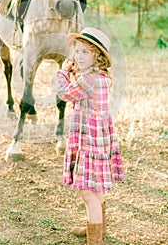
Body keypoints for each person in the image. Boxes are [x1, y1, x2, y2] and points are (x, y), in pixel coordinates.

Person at [53, 27, 124, 245]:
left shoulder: (89, 80)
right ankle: (97, 226)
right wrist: (74, 72)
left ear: (97, 56)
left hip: (90, 141)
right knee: (95, 188)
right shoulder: (94, 77)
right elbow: (79, 90)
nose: (79, 56)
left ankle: (95, 240)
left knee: (87, 193)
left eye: (85, 52)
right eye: (77, 51)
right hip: (96, 139)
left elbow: (64, 93)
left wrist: (62, 72)